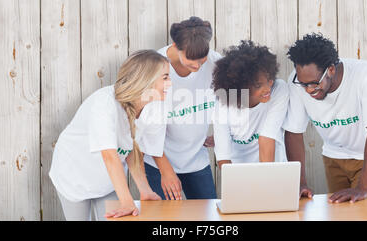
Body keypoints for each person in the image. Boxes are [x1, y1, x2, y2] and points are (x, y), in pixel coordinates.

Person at [49, 50, 171, 220]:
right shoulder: (104, 102)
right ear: (146, 79)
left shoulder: (155, 106)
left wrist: (145, 190)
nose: (170, 84)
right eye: (165, 78)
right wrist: (127, 201)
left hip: (106, 182)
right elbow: (109, 156)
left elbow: (134, 151)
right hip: (74, 176)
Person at [283, 33, 367, 203]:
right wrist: (301, 183)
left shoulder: (364, 73)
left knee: (366, 213)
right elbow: (293, 133)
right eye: (304, 84)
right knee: (339, 214)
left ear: (331, 70)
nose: (308, 90)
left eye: (314, 83)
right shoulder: (297, 81)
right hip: (334, 157)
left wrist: (362, 188)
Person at [143, 16, 222, 200]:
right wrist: (166, 170)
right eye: (191, 60)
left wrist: (223, 132)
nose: (197, 66)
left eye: (202, 60)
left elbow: (233, 98)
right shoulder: (153, 67)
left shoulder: (215, 62)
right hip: (159, 161)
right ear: (175, 46)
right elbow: (145, 127)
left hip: (197, 159)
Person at [211, 40, 289, 169]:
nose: (267, 89)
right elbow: (222, 154)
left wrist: (267, 180)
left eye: (269, 80)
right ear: (240, 86)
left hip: (273, 168)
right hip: (239, 170)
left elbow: (266, 138)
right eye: (258, 85)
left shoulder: (279, 89)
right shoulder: (224, 102)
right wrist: (233, 178)